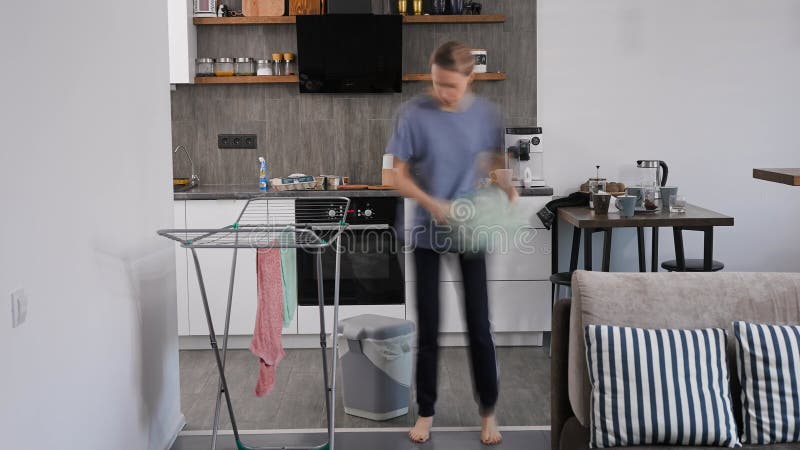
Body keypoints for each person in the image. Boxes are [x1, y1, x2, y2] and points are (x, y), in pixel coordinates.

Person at [387, 41, 516, 445]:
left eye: (451, 86)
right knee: (429, 328)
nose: (442, 92)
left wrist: (506, 185)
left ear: (469, 78)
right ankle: (426, 412)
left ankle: (488, 412)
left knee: (479, 325)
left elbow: (495, 161)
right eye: (437, 83)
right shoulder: (412, 114)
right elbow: (394, 176)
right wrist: (431, 203)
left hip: (470, 229)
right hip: (426, 232)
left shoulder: (486, 115)